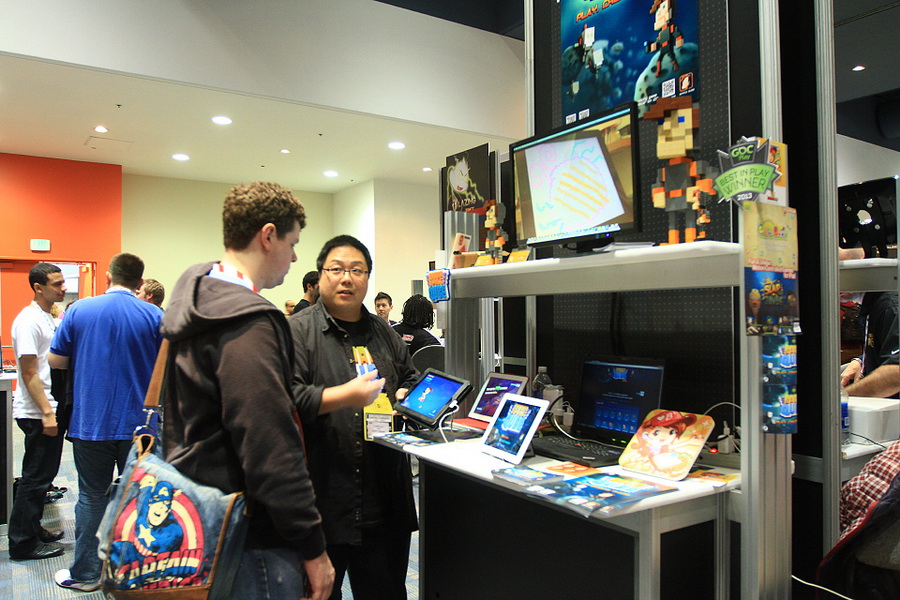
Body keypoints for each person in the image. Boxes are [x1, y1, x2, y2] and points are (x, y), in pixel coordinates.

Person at [160, 181, 333, 600]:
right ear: (268, 235)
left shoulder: (197, 299)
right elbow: (269, 447)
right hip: (248, 535)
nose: (295, 257)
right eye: (293, 243)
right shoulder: (247, 323)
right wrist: (312, 546)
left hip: (201, 516)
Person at [290, 235, 418, 600]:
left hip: (384, 500)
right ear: (320, 276)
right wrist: (346, 396)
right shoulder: (298, 331)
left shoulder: (385, 333)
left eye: (357, 270)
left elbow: (409, 377)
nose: (347, 278)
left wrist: (406, 393)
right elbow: (286, 399)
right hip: (324, 503)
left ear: (367, 278)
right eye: (337, 269)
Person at [49, 252, 164, 592]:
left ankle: (87, 574)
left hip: (91, 422)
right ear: (140, 283)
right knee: (143, 497)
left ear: (108, 277)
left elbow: (56, 359)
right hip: (141, 426)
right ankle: (139, 573)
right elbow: (168, 367)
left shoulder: (79, 310)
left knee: (91, 497)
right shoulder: (155, 314)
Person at [8, 262, 68, 561]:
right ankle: (22, 543)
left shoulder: (48, 317)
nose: (63, 288)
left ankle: (33, 529)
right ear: (38, 287)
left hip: (48, 407)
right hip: (37, 411)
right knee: (34, 479)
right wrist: (46, 413)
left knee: (44, 476)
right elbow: (29, 372)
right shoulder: (28, 321)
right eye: (57, 284)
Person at [840, 291, 899, 398]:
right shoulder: (874, 305)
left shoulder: (891, 308)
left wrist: (843, 397)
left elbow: (896, 374)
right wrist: (861, 360)